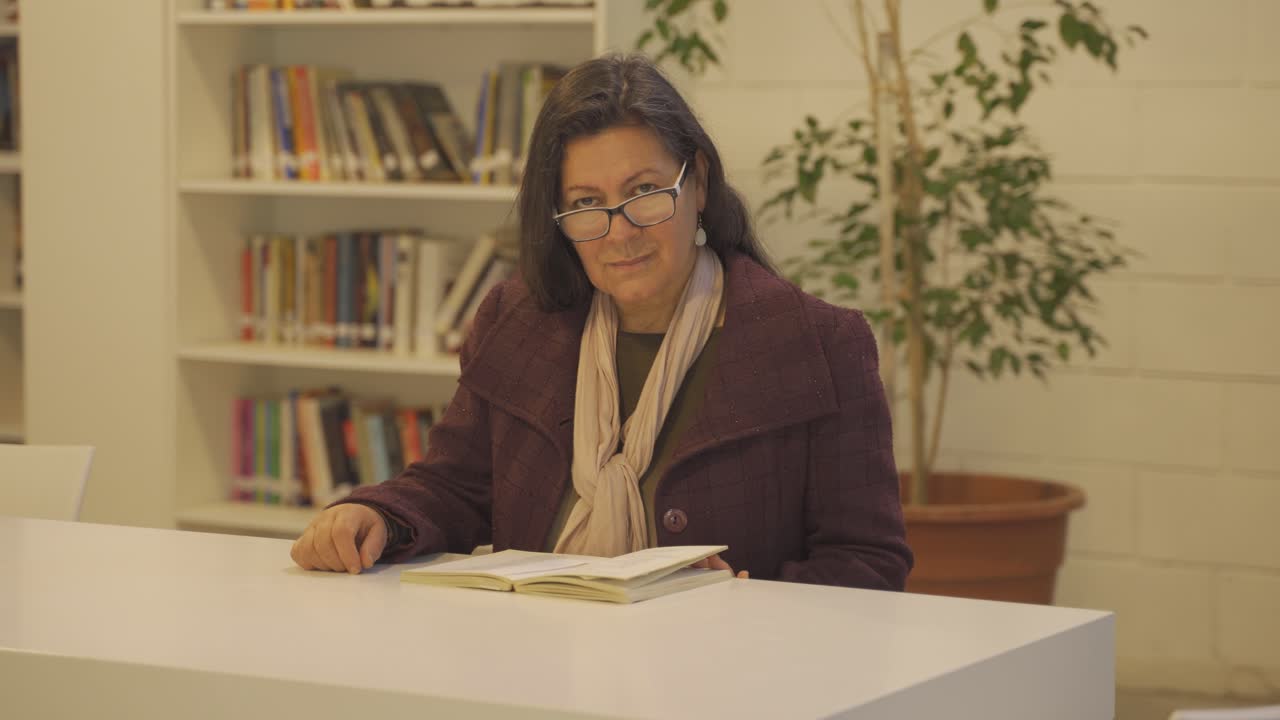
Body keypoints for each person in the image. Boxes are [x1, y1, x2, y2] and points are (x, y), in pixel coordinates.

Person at [290, 54, 913, 589]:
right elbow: (456, 487)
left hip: (728, 677)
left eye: (643, 191)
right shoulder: (516, 322)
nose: (619, 231)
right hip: (539, 660)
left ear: (695, 182)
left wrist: (747, 602)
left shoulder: (820, 343)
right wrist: (377, 514)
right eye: (587, 204)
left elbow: (867, 562)